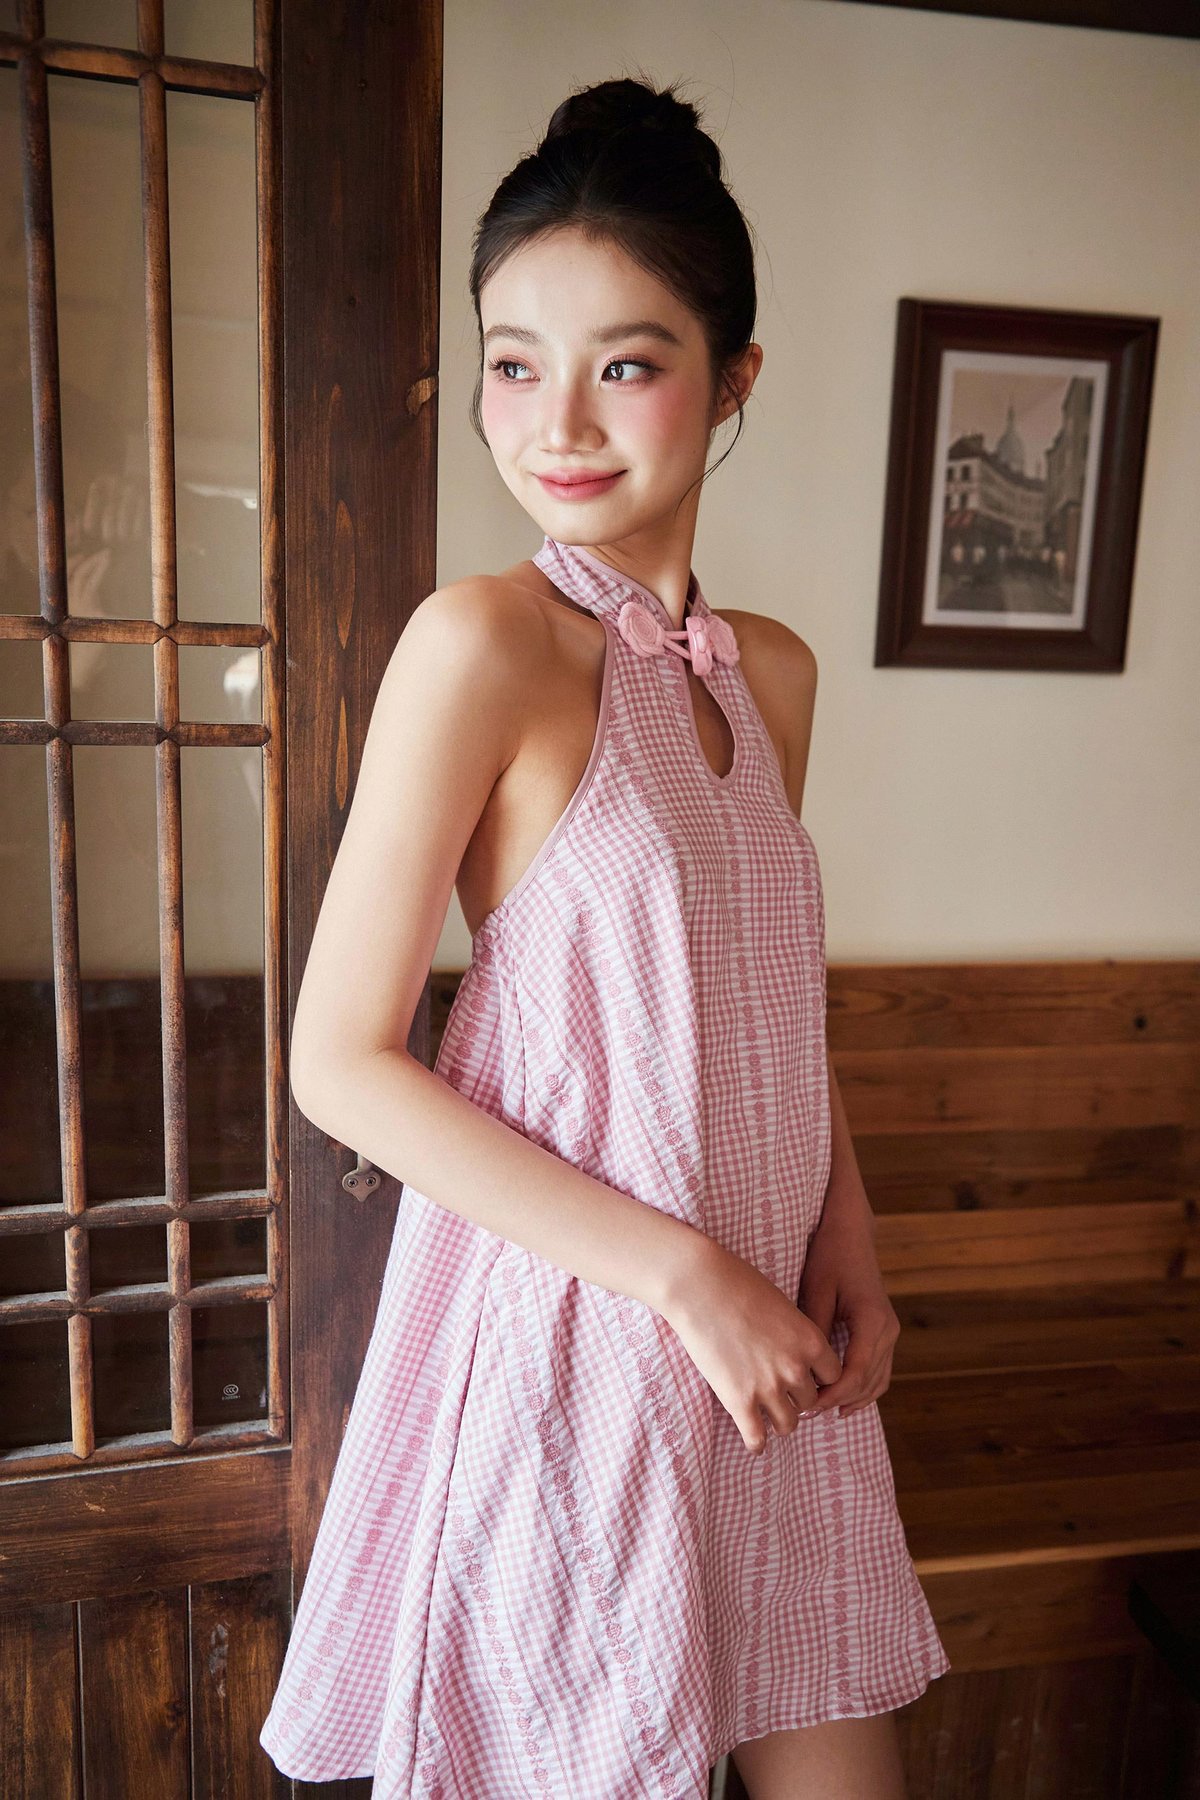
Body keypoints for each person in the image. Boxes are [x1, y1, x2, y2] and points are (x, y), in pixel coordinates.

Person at [259, 73, 950, 1800]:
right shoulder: (479, 645)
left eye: (624, 365)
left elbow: (759, 1000)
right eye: (514, 363)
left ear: (735, 378)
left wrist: (846, 1229)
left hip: (768, 1337)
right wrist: (684, 1275)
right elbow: (339, 1063)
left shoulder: (769, 672)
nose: (554, 421)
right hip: (583, 1339)